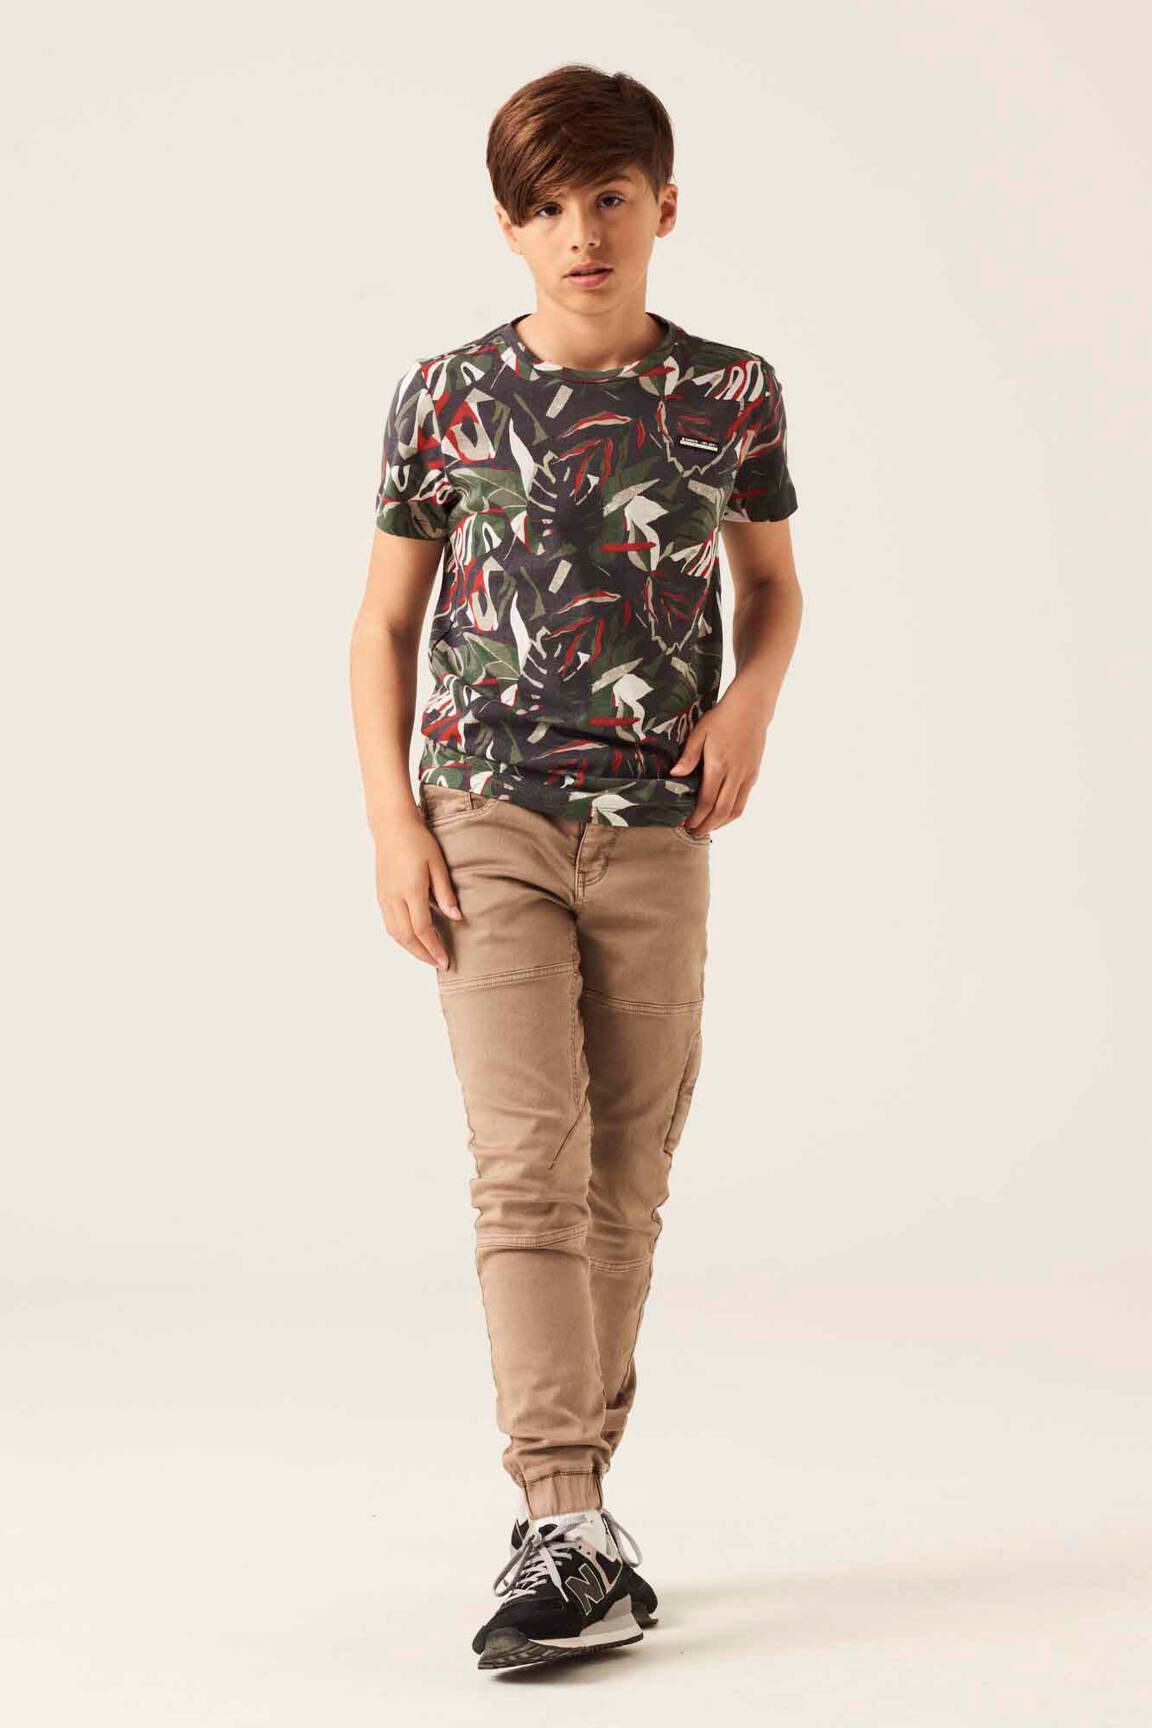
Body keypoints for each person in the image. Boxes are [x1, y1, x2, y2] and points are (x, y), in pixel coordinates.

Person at [349, 63, 802, 1673]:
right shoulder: (448, 393)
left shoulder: (730, 392)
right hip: (487, 812)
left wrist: (749, 702)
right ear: (509, 227)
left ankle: (582, 1527)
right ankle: (562, 1507)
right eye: (545, 208)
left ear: (663, 206)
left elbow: (772, 587)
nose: (581, 232)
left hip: (658, 824)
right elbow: (386, 623)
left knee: (627, 1169)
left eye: (609, 198)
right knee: (524, 1161)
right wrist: (394, 820)